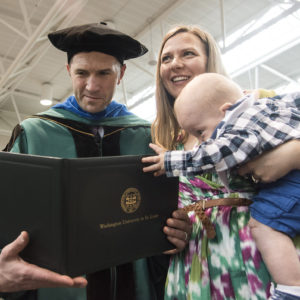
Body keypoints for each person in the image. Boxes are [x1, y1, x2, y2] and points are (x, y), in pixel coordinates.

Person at [0, 23, 192, 300]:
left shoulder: (146, 135)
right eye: (81, 73)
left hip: (135, 287)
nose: (92, 86)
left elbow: (167, 213)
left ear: (122, 73)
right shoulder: (35, 133)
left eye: (104, 73)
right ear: (68, 71)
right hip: (57, 289)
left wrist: (176, 232)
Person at [142, 24, 300, 300]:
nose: (175, 64)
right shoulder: (168, 142)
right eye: (166, 58)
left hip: (261, 251)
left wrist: (293, 153)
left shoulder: (255, 103)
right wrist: (172, 233)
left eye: (188, 53)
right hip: (195, 265)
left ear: (210, 60)